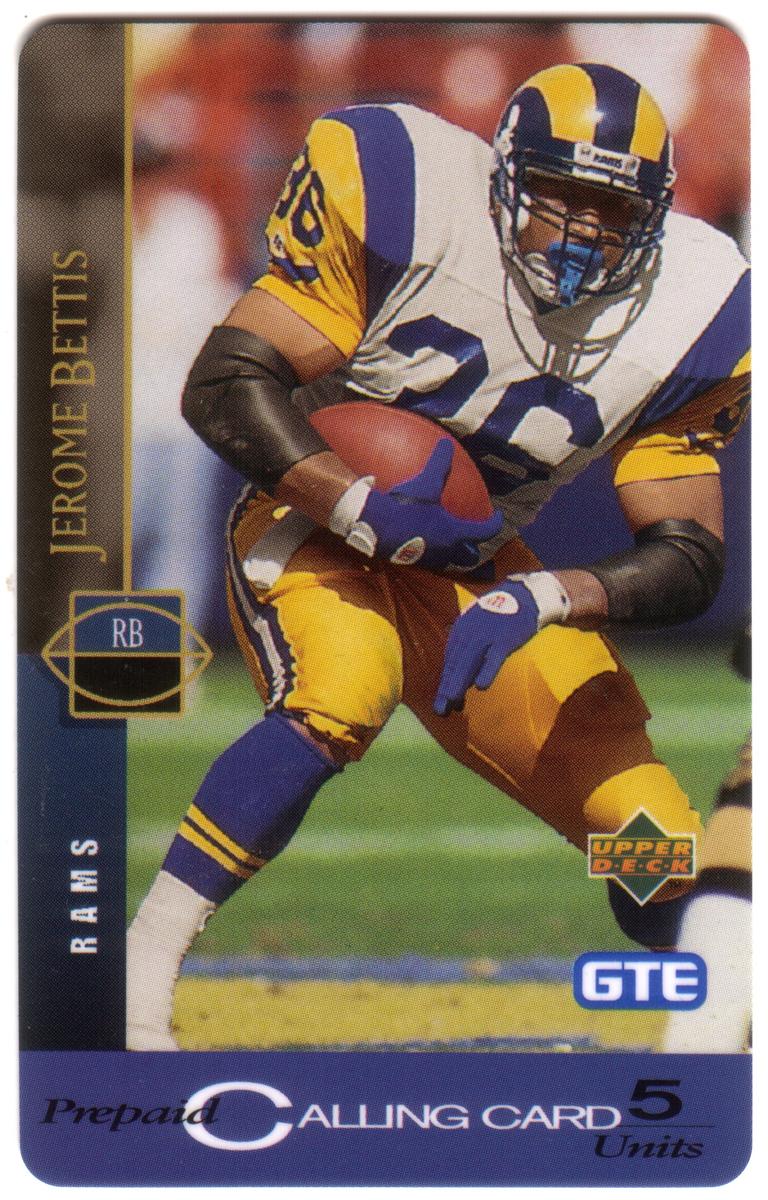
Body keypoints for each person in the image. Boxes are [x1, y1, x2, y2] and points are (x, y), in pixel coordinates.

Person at [127, 63, 750, 1050]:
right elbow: (229, 379)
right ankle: (140, 968)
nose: (584, 230)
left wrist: (543, 597)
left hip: (480, 570)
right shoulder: (406, 189)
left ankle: (733, 1031)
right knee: (343, 690)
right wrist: (361, 505)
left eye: (614, 210)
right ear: (505, 177)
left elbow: (688, 554)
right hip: (321, 518)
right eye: (561, 195)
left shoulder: (699, 305)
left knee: (653, 843)